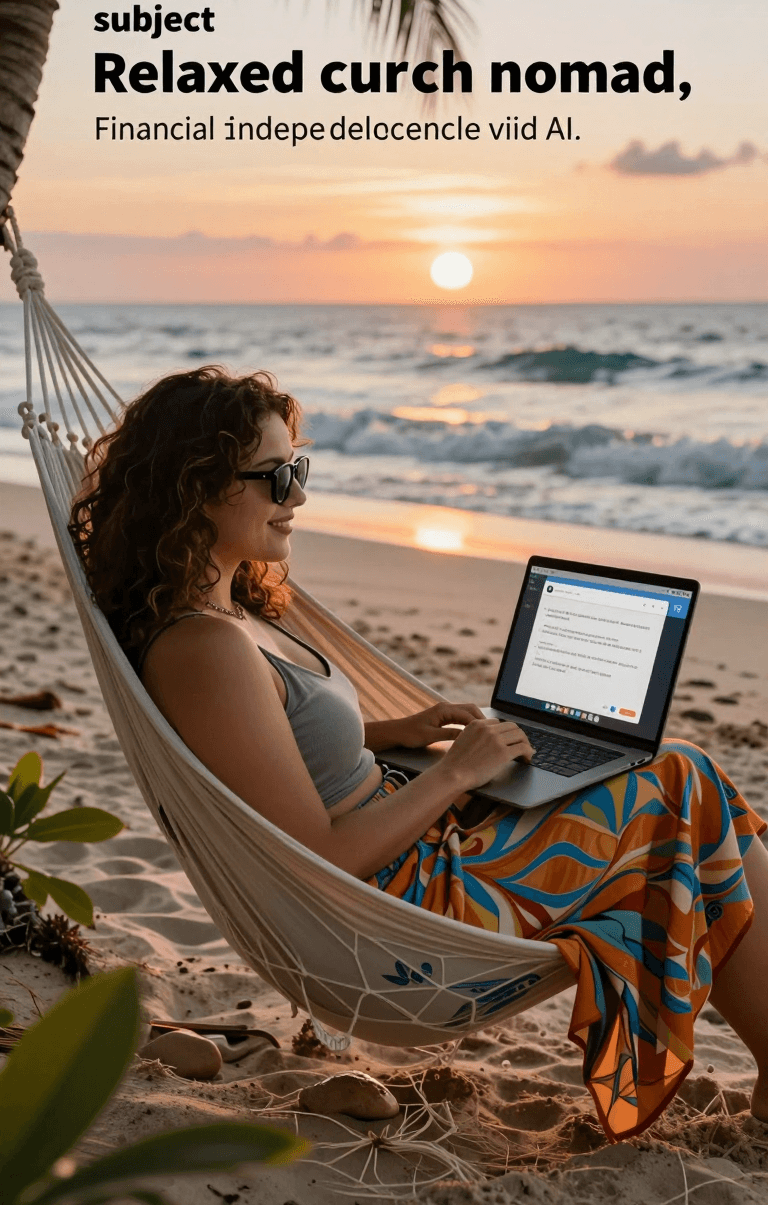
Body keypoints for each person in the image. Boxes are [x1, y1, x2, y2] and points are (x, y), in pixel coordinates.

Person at [70, 364, 768, 1143]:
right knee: (685, 781)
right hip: (403, 901)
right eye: (277, 477)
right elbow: (316, 854)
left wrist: (384, 737)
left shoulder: (224, 613)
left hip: (416, 840)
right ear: (198, 486)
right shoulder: (205, 647)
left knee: (684, 796)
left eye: (300, 469)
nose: (298, 496)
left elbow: (256, 758)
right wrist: (457, 772)